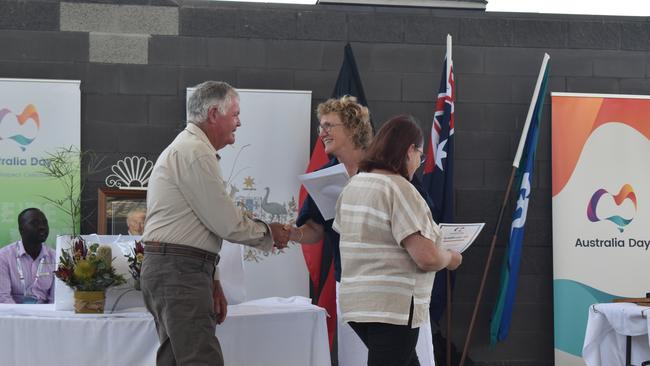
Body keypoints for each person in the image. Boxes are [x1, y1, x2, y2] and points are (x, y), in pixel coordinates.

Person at [140, 81, 290, 366]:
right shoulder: (194, 152)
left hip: (179, 269)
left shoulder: (191, 149)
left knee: (176, 359)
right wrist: (269, 233)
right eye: (234, 114)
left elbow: (201, 224)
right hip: (179, 272)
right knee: (201, 360)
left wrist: (212, 278)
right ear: (213, 114)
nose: (239, 122)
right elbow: (224, 221)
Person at [333, 115, 463, 366]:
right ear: (409, 150)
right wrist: (450, 258)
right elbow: (426, 257)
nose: (419, 163)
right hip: (393, 307)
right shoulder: (400, 189)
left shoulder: (354, 185)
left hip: (358, 304)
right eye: (420, 155)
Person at [285, 95, 372, 364]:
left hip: (383, 279)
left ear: (352, 127)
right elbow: (315, 229)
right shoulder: (325, 176)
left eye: (328, 126)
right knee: (354, 356)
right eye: (320, 126)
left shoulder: (382, 169)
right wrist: (290, 234)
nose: (321, 133)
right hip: (346, 280)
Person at [0, 208, 56, 304]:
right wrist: (22, 318)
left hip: (46, 315)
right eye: (35, 223)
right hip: (12, 315)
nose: (42, 227)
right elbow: (3, 297)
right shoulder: (3, 257)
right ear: (21, 229)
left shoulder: (56, 257)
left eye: (44, 222)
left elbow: (55, 300)